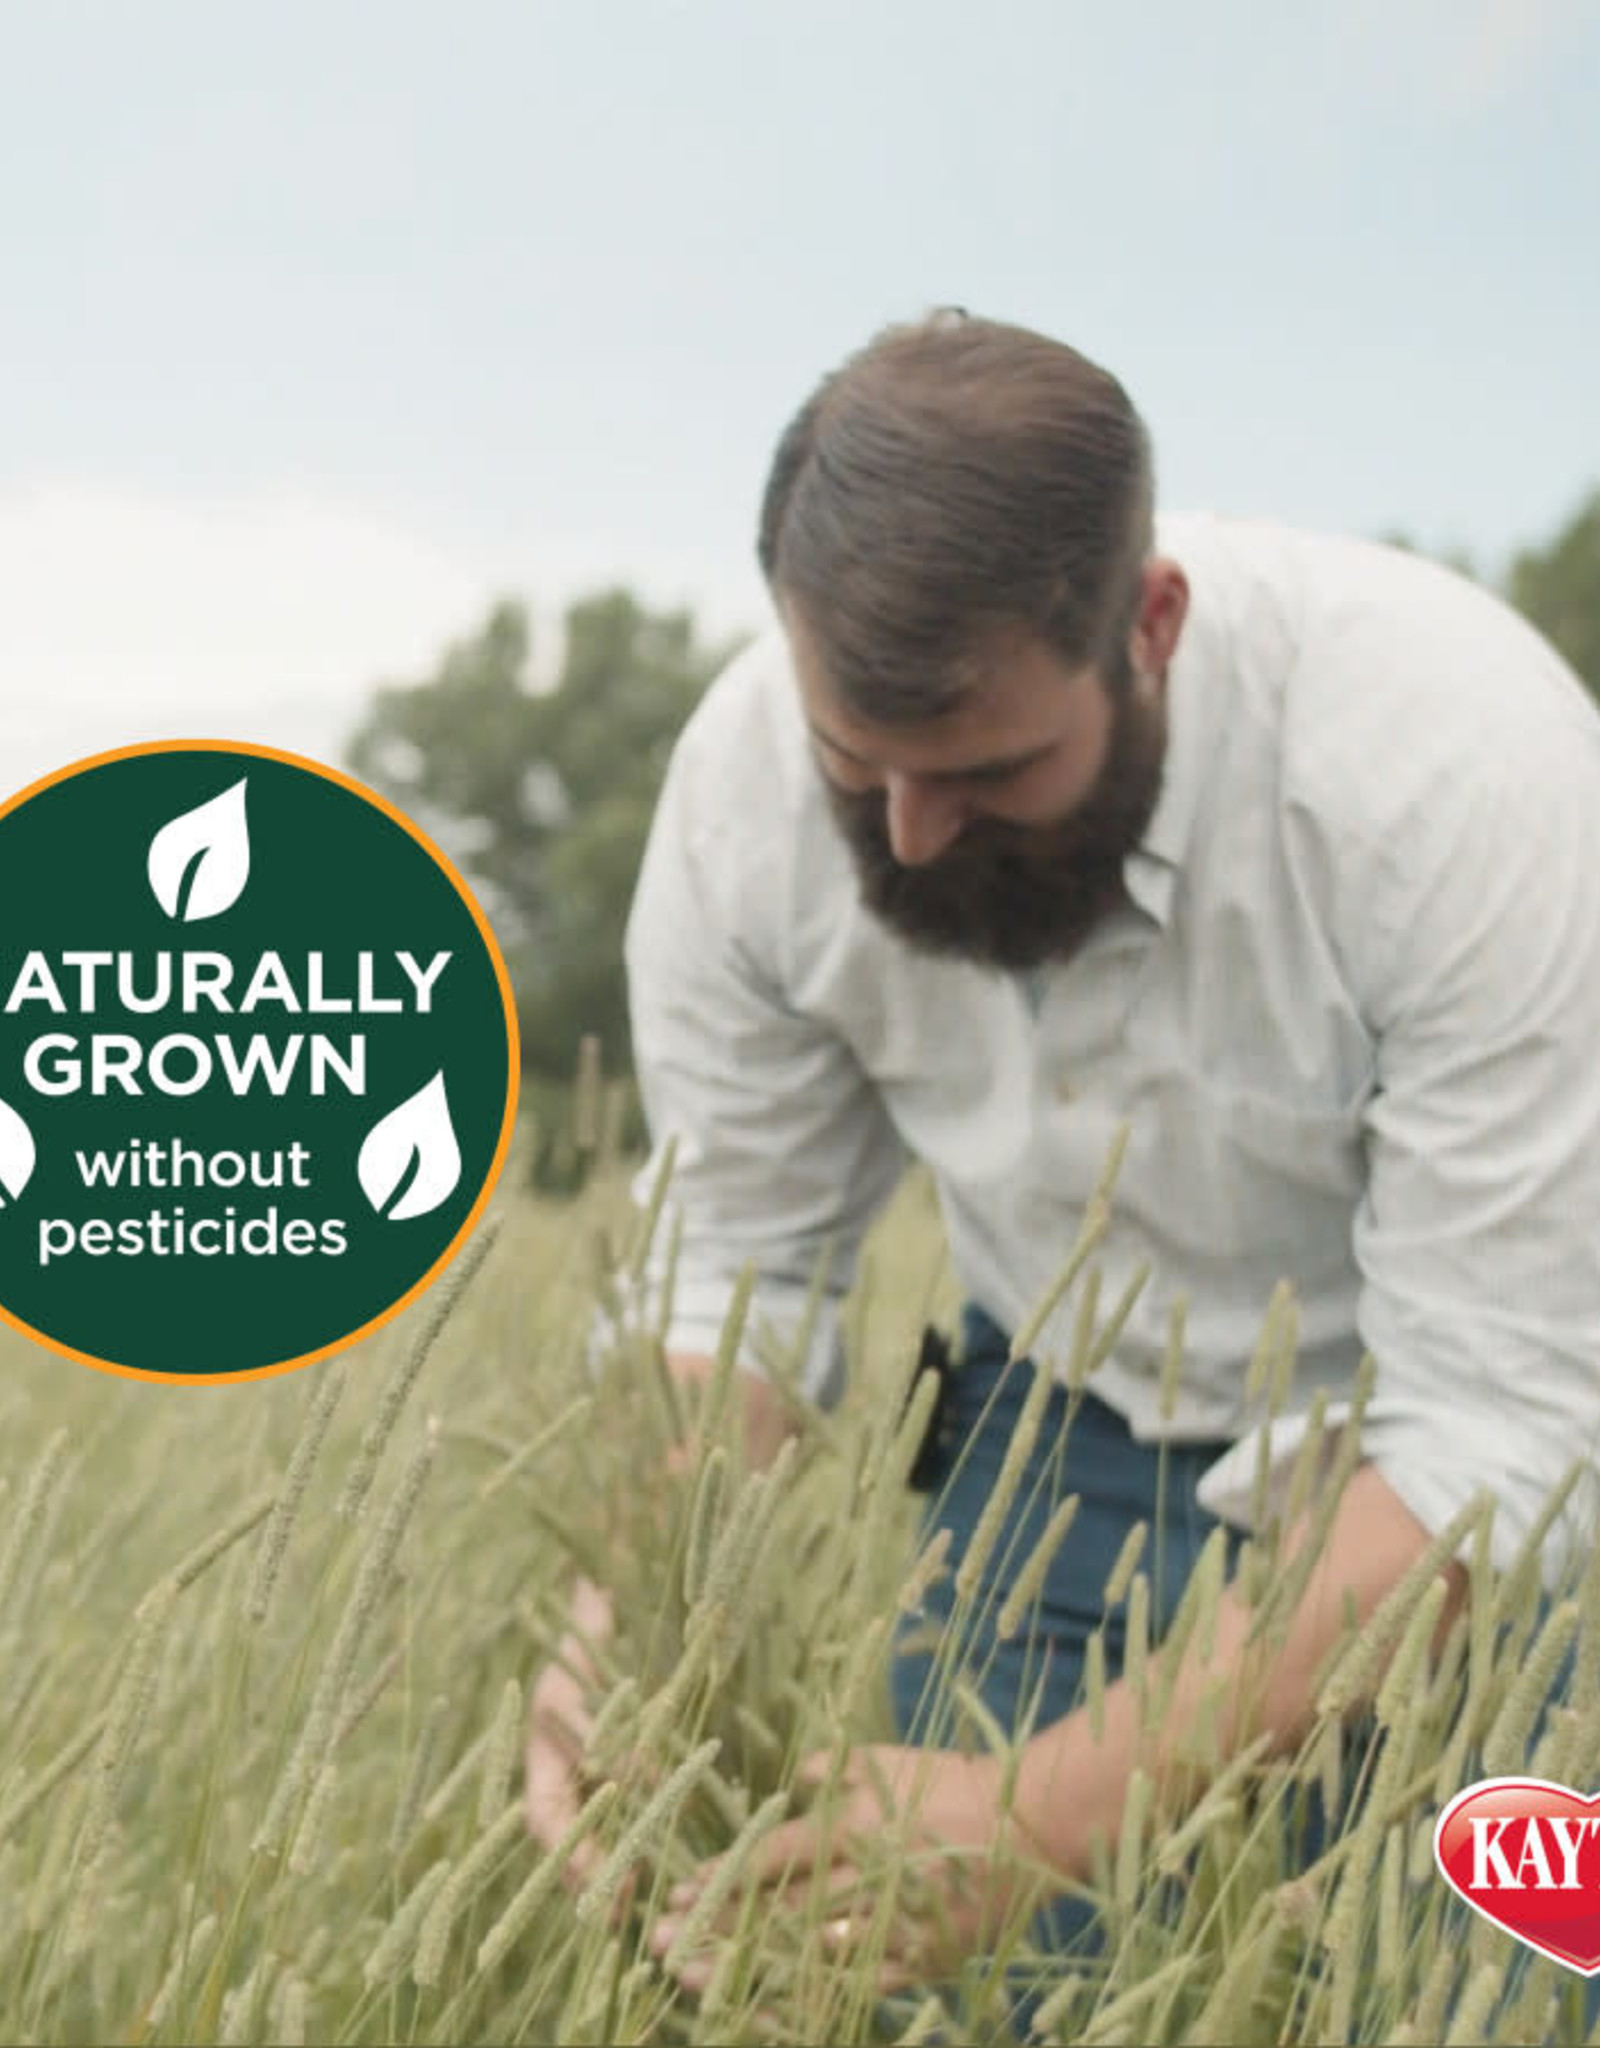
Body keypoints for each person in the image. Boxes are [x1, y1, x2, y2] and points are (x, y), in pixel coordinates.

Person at [526, 310, 1600, 1998]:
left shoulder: (1465, 777)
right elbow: (735, 1268)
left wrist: (1032, 1811)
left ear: (1151, 626)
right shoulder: (740, 796)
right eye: (848, 765)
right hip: (1058, 1437)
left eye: (988, 771)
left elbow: (1508, 1431)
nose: (908, 836)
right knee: (1006, 2003)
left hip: (1464, 1485)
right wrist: (622, 1622)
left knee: (1479, 2001)